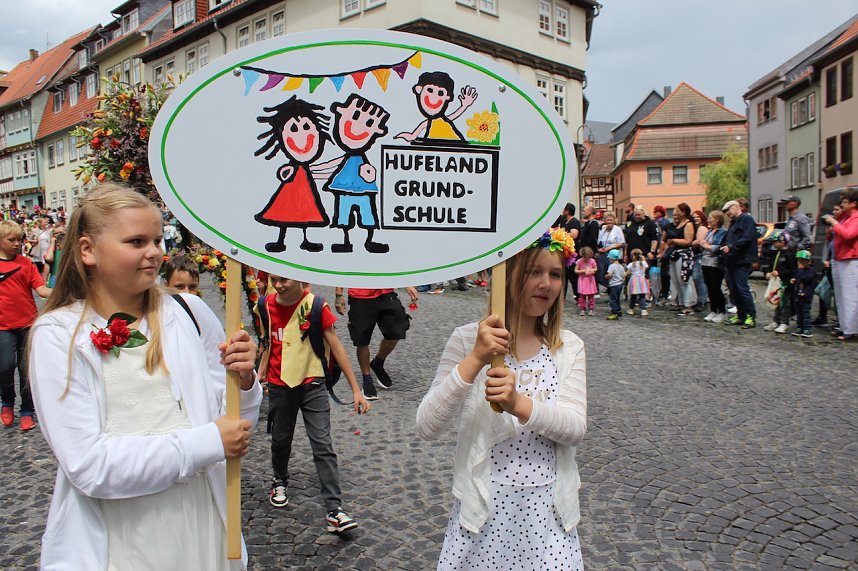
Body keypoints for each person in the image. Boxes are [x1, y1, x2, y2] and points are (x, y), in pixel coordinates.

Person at [28, 185, 263, 569]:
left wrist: (245, 383)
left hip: (202, 520)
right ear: (88, 250)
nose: (154, 251)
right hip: (120, 535)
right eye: (136, 241)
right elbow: (88, 465)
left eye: (156, 239)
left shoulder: (188, 312)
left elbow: (231, 427)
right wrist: (205, 443)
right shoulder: (59, 335)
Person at [415, 229, 586, 571]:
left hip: (547, 512)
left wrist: (518, 404)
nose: (546, 284)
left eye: (555, 274)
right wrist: (475, 359)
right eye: (534, 271)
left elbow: (574, 428)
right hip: (484, 508)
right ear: (507, 274)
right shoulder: (467, 340)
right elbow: (427, 424)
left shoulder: (568, 347)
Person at [258, 276, 370, 533]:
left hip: (312, 384)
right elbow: (267, 342)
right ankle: (279, 479)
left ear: (299, 279)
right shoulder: (264, 304)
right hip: (279, 384)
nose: (280, 285)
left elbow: (337, 348)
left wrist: (356, 390)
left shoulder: (316, 306)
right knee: (280, 438)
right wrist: (260, 373)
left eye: (284, 280)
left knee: (322, 444)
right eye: (275, 280)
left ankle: (335, 509)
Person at [0, 220, 51, 430]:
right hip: (2, 326)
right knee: (5, 367)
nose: (17, 243)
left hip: (27, 324)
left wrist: (66, 290)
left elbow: (42, 290)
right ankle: (8, 403)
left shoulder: (26, 264)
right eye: (11, 240)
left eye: (19, 240)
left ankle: (27, 410)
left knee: (27, 370)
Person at [334, 286, 419, 400]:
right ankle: (367, 378)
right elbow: (342, 269)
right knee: (362, 340)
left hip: (386, 292)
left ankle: (378, 362)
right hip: (360, 296)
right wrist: (339, 295)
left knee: (397, 331)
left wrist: (408, 284)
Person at [822, 187, 858, 341]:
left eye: (845, 202)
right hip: (838, 259)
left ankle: (851, 329)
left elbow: (849, 235)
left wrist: (834, 223)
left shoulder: (855, 219)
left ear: (854, 203)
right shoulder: (845, 217)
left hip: (850, 260)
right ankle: (844, 326)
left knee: (850, 295)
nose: (842, 205)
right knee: (840, 296)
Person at [720, 200, 758, 329]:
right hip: (732, 260)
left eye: (728, 210)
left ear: (736, 207)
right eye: (726, 212)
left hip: (743, 260)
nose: (728, 214)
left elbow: (747, 238)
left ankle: (750, 317)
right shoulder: (734, 222)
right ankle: (741, 315)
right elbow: (728, 239)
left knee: (742, 289)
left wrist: (731, 247)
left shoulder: (747, 219)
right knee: (734, 289)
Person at [696, 210, 728, 323]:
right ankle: (713, 310)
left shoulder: (723, 232)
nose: (708, 220)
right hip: (705, 261)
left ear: (717, 220)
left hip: (715, 262)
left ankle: (722, 311)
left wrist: (707, 246)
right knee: (709, 287)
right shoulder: (710, 231)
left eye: (710, 218)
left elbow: (720, 247)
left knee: (715, 287)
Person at [762, 233, 795, 334]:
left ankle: (784, 322)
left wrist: (780, 273)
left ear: (782, 242)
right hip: (776, 283)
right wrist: (769, 271)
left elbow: (792, 269)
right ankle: (776, 320)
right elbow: (771, 265)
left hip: (785, 282)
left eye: (776, 242)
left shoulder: (789, 254)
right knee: (776, 302)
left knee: (785, 303)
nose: (774, 244)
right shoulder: (776, 253)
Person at [668, 203, 696, 316]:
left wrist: (674, 241)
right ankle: (681, 302)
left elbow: (688, 241)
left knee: (684, 280)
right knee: (675, 280)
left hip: (684, 254)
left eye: (677, 211)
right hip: (675, 254)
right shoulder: (679, 224)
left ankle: (688, 304)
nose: (675, 212)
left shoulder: (688, 224)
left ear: (684, 212)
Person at [553, 203, 581, 301]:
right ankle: (562, 297)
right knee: (563, 277)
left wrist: (560, 235)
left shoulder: (574, 222)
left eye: (563, 210)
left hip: (572, 254)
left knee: (573, 277)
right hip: (564, 254)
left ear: (567, 211)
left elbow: (574, 235)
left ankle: (578, 297)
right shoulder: (565, 221)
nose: (562, 212)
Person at [790, 250, 816, 338]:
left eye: (802, 261)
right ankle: (799, 327)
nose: (800, 263)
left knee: (805, 312)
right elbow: (796, 277)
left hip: (806, 295)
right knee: (799, 313)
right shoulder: (797, 270)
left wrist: (800, 271)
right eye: (799, 261)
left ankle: (807, 328)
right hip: (798, 295)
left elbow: (805, 279)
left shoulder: (811, 270)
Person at [596, 212, 625, 288]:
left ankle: (613, 290)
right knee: (605, 273)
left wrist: (610, 248)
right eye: (607, 220)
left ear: (614, 221)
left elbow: (621, 243)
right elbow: (599, 241)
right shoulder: (603, 229)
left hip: (614, 255)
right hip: (604, 254)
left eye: (611, 220)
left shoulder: (617, 229)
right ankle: (607, 287)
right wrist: (599, 249)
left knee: (613, 274)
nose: (609, 222)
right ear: (604, 220)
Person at [652, 205, 672, 304]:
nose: (654, 213)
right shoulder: (653, 222)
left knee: (664, 274)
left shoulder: (665, 222)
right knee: (655, 273)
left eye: (656, 211)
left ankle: (664, 293)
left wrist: (662, 251)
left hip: (662, 251)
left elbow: (664, 238)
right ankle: (657, 292)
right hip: (655, 250)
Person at [690, 210, 709, 312]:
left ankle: (703, 301)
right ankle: (701, 300)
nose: (695, 218)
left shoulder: (701, 228)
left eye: (697, 217)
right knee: (697, 278)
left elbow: (698, 242)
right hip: (697, 255)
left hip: (700, 255)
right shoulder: (697, 227)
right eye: (694, 217)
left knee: (698, 277)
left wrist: (690, 242)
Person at [625, 248, 650, 316]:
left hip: (634, 280)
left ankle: (631, 309)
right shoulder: (643, 263)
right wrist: (643, 259)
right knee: (642, 296)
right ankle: (644, 309)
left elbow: (627, 272)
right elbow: (647, 266)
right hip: (641, 281)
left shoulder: (631, 264)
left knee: (633, 296)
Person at [574, 246, 597, 316]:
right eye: (586, 257)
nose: (587, 259)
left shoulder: (592, 261)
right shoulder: (579, 261)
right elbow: (576, 270)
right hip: (583, 280)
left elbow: (595, 268)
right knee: (582, 296)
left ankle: (591, 308)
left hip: (590, 280)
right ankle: (583, 308)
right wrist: (583, 271)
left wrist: (592, 270)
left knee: (591, 296)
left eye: (589, 257)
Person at [604, 249, 625, 320]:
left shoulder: (612, 266)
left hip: (614, 285)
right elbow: (623, 275)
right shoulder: (621, 266)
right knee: (617, 298)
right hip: (620, 284)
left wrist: (606, 276)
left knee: (612, 299)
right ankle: (619, 310)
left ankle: (614, 312)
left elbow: (609, 274)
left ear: (611, 258)